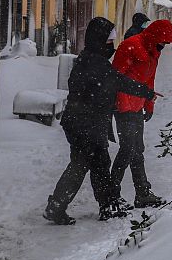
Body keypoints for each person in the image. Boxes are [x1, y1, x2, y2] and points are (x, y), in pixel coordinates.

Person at [45, 17, 158, 225]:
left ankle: (106, 204)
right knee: (82, 165)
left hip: (83, 123)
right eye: (109, 40)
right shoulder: (94, 63)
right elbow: (117, 81)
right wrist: (144, 91)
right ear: (99, 39)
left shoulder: (91, 59)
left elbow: (111, 82)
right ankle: (59, 206)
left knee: (95, 165)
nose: (111, 45)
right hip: (85, 124)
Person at [111, 19, 172, 208]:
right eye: (163, 42)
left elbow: (149, 79)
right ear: (155, 36)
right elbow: (115, 78)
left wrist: (148, 104)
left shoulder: (153, 50)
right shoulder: (130, 46)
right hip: (123, 106)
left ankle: (142, 192)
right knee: (127, 150)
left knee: (137, 149)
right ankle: (111, 195)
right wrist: (122, 104)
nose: (164, 46)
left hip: (137, 105)